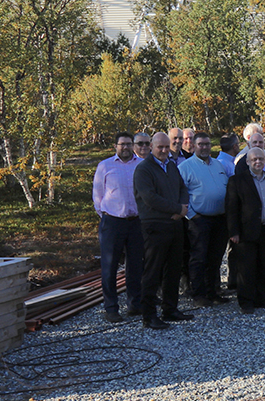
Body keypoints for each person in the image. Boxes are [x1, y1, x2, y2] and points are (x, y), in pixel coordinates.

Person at [131, 133, 194, 330]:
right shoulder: (144, 169)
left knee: (173, 269)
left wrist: (182, 206)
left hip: (174, 225)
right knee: (153, 271)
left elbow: (183, 188)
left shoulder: (171, 166)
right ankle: (149, 315)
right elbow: (150, 198)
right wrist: (176, 209)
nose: (165, 150)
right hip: (155, 225)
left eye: (167, 147)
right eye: (161, 147)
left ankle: (170, 308)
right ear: (151, 146)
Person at [225, 145, 265, 313]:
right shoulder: (237, 181)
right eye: (254, 159)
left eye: (260, 159)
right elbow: (231, 209)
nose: (257, 162)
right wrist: (233, 232)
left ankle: (262, 298)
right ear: (247, 162)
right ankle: (246, 302)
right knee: (246, 268)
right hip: (246, 232)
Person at [92, 132, 145, 323]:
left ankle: (134, 304)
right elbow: (97, 196)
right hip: (113, 222)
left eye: (128, 144)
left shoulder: (140, 165)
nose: (125, 147)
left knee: (135, 266)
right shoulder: (105, 166)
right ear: (115, 146)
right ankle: (111, 308)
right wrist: (107, 215)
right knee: (110, 266)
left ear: (133, 146)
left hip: (136, 222)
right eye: (121, 144)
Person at [177, 132, 231, 309]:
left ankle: (213, 291)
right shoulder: (186, 167)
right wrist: (191, 214)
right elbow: (180, 193)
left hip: (220, 219)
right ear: (193, 145)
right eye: (201, 144)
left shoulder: (218, 164)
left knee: (215, 257)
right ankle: (198, 294)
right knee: (198, 258)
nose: (205, 147)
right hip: (199, 220)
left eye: (207, 144)